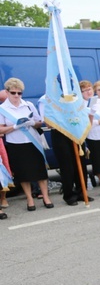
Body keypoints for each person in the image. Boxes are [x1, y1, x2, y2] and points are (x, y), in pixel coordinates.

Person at [0, 77, 53, 210]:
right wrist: (15, 127)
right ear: (7, 92)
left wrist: (33, 123)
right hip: (16, 144)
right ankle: (30, 199)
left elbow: (39, 122)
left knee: (40, 171)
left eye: (19, 93)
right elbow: (1, 129)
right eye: (13, 93)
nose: (17, 95)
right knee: (23, 174)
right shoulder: (2, 109)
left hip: (33, 142)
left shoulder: (28, 104)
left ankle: (46, 197)